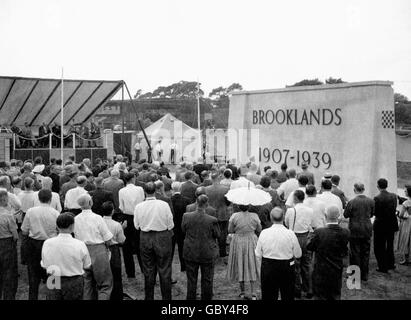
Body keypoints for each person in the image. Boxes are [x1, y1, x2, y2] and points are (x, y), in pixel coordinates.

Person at [134, 182, 174, 300]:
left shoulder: (139, 206)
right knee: (165, 269)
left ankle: (149, 297)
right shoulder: (164, 204)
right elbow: (170, 224)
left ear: (144, 192)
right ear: (156, 191)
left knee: (148, 269)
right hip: (162, 237)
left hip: (146, 237)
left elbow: (137, 225)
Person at [41, 213, 92, 300]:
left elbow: (44, 264)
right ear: (72, 226)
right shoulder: (79, 244)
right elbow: (87, 265)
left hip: (53, 278)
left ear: (57, 226)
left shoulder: (47, 243)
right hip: (73, 280)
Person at [255, 207, 302, 300]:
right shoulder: (290, 234)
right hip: (286, 267)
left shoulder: (264, 233)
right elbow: (298, 254)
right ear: (283, 217)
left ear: (271, 218)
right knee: (287, 294)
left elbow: (258, 254)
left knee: (269, 295)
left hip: (268, 267)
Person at [21, 189, 60, 300]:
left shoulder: (30, 211)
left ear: (38, 198)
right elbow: (59, 230)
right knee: (52, 273)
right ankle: (52, 297)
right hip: (51, 245)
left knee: (33, 276)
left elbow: (24, 231)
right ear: (50, 199)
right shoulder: (55, 213)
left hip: (34, 244)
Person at [74, 194, 113, 300]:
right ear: (90, 203)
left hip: (82, 250)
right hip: (98, 250)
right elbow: (108, 238)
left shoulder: (75, 219)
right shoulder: (97, 218)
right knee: (104, 284)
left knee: (87, 284)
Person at [307, 206, 350, 300]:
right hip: (337, 268)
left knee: (319, 295)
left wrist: (310, 234)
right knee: (335, 294)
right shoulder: (345, 232)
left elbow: (309, 247)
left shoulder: (319, 232)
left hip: (321, 269)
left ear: (326, 215)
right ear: (338, 216)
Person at [182, 195, 220, 300]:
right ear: (207, 205)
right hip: (207, 252)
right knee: (207, 279)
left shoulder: (186, 216)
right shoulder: (212, 220)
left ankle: (191, 298)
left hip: (191, 251)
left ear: (196, 203)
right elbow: (218, 234)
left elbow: (183, 230)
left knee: (191, 279)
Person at [284, 190, 315, 298]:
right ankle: (309, 289)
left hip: (294, 237)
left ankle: (297, 289)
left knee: (295, 265)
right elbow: (311, 222)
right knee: (307, 264)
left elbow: (287, 223)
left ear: (296, 198)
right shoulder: (310, 210)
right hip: (306, 237)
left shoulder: (291, 211)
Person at [227, 204, 262, 300]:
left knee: (240, 263)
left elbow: (230, 230)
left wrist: (238, 229)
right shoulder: (254, 216)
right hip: (251, 240)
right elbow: (259, 229)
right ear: (249, 207)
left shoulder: (234, 216)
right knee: (252, 264)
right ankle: (253, 292)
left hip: (238, 240)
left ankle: (242, 292)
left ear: (238, 206)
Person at [343, 183, 374, 281]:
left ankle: (355, 275)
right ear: (363, 189)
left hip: (355, 229)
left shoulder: (352, 202)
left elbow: (346, 215)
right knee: (365, 252)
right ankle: (364, 275)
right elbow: (372, 214)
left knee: (355, 252)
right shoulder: (371, 201)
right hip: (367, 228)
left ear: (354, 190)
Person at [119, 172, 145, 278]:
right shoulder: (139, 189)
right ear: (133, 178)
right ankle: (144, 269)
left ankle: (130, 272)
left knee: (127, 246)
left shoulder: (122, 191)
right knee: (140, 243)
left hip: (127, 217)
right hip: (138, 216)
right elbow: (143, 201)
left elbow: (121, 206)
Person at [101, 201, 126, 300]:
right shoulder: (116, 225)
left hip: (101, 248)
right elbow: (122, 240)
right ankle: (116, 296)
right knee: (116, 273)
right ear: (112, 211)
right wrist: (122, 228)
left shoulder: (98, 222)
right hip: (113, 249)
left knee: (103, 273)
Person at [373, 178, 398, 272]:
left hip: (381, 224)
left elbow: (375, 212)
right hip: (391, 222)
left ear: (378, 186)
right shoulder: (393, 196)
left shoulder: (377, 198)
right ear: (386, 185)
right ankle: (391, 263)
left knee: (379, 246)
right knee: (390, 244)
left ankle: (382, 266)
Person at [205, 172, 231, 257]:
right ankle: (222, 252)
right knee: (222, 234)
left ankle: (211, 252)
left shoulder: (206, 189)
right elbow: (228, 202)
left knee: (210, 233)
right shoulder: (225, 188)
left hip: (210, 214)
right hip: (222, 213)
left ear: (211, 179)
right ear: (219, 178)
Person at [0, 190, 18, 300]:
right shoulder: (7, 215)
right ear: (4, 199)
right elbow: (15, 235)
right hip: (6, 243)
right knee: (9, 273)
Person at [170, 182, 191, 272]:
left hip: (173, 226)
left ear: (172, 189)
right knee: (182, 246)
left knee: (170, 248)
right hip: (183, 226)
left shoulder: (169, 199)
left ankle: (169, 266)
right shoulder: (186, 200)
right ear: (181, 189)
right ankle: (184, 266)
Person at [397, 185, 411, 265]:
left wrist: (399, 216)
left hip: (407, 222)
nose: (404, 192)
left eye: (405, 191)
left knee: (406, 239)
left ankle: (406, 259)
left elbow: (401, 214)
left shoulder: (406, 203)